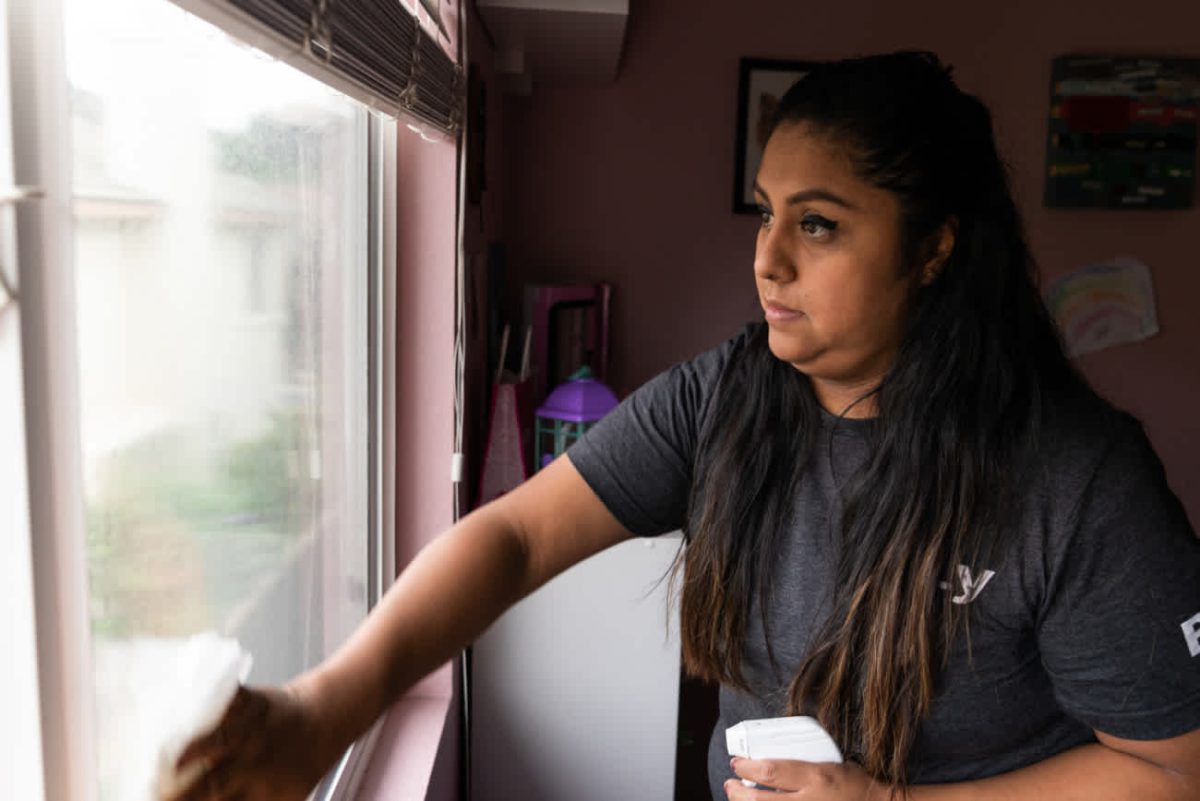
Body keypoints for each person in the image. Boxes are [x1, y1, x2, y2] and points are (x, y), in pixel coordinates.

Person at [171, 51, 1200, 801]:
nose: (769, 261)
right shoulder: (726, 397)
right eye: (767, 213)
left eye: (819, 224)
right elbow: (515, 534)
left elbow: (1171, 766)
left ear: (934, 249)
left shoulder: (1078, 479)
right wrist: (328, 706)